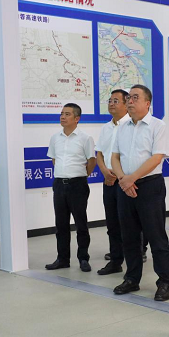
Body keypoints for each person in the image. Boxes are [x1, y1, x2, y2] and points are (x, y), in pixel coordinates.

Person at [111, 84, 169, 301]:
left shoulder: (158, 126)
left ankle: (164, 282)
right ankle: (132, 278)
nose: (130, 101)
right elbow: (114, 157)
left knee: (156, 236)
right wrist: (123, 179)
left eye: (135, 97)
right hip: (125, 187)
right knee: (128, 236)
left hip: (149, 186)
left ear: (147, 103)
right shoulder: (122, 126)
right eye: (128, 97)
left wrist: (132, 178)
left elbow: (157, 157)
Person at [45, 103, 96, 272]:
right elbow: (54, 159)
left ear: (77, 118)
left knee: (81, 223)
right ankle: (62, 259)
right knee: (61, 225)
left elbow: (92, 161)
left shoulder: (85, 138)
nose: (63, 117)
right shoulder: (55, 138)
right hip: (59, 184)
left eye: (67, 114)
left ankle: (83, 258)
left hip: (78, 185)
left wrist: (80, 175)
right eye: (62, 113)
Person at [95, 89, 131, 275]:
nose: (111, 104)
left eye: (116, 101)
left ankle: (135, 257)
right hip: (108, 181)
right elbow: (99, 153)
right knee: (112, 223)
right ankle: (116, 260)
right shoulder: (106, 128)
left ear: (126, 104)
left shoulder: (132, 125)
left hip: (126, 181)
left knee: (130, 223)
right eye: (110, 100)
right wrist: (104, 171)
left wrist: (119, 174)